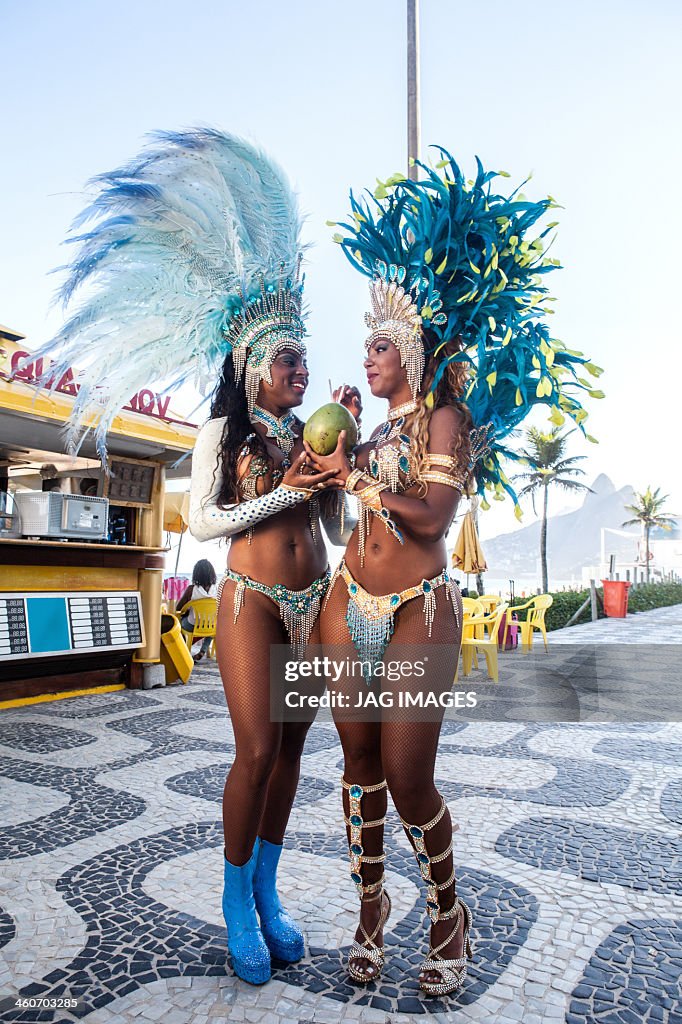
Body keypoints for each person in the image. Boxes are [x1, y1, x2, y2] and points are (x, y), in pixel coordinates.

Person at [25, 127, 357, 988]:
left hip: (310, 599)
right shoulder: (224, 431)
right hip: (247, 600)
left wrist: (341, 474)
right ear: (248, 365)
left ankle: (272, 893)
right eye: (287, 359)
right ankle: (235, 899)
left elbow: (342, 528)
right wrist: (290, 487)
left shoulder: (305, 434)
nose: (299, 369)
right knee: (253, 752)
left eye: (303, 359)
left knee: (293, 756)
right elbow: (208, 522)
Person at [306, 148, 598, 997]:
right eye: (362, 348)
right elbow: (339, 521)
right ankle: (370, 911)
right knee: (356, 766)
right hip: (343, 601)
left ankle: (446, 913)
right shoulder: (363, 435)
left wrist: (356, 477)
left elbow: (431, 520)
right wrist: (323, 470)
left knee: (407, 774)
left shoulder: (445, 418)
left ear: (410, 348)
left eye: (379, 346)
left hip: (418, 607)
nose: (366, 358)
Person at [175, 558, 218, 661]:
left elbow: (178, 608)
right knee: (214, 625)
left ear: (196, 574)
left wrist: (189, 609)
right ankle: (203, 650)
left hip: (192, 625)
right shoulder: (217, 589)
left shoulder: (191, 589)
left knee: (179, 624)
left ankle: (183, 651)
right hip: (211, 625)